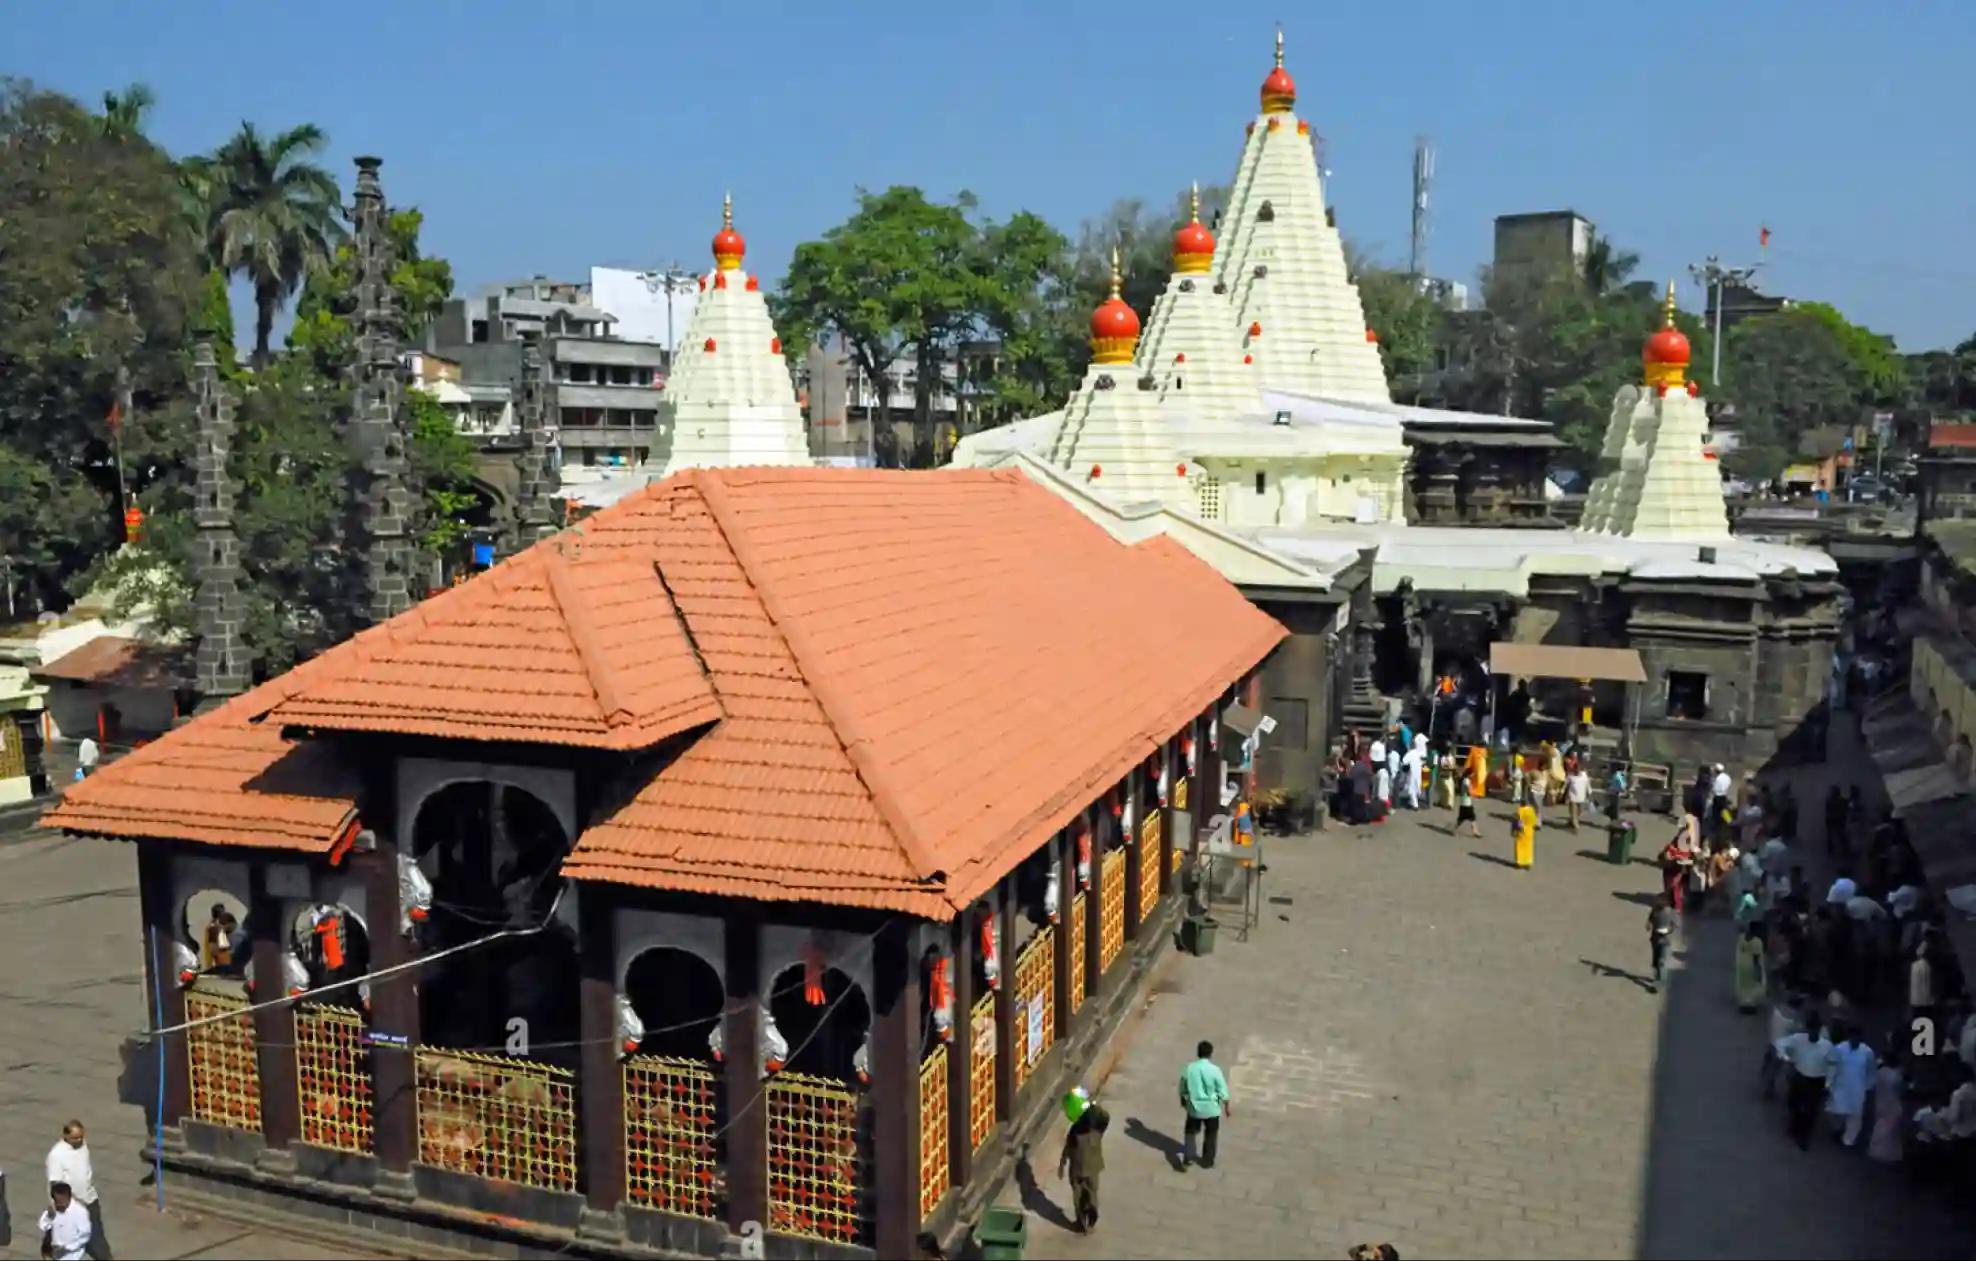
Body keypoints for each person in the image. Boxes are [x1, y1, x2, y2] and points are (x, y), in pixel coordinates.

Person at [44, 1121, 107, 1260]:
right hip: (71, 1203)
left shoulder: (83, 1145)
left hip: (89, 1197)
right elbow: (56, 1183)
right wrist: (72, 1201)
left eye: (81, 1136)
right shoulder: (56, 1154)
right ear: (65, 1135)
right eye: (75, 1137)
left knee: (96, 1231)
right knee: (69, 1234)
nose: (79, 1140)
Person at [1775, 1013, 1833, 1151]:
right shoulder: (1798, 1039)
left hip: (1817, 1080)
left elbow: (1832, 1065)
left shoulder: (1827, 1046)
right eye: (1811, 1029)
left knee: (1811, 1110)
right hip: (1800, 1076)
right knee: (1793, 1102)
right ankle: (1795, 1124)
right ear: (1807, 1029)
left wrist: (1829, 1084)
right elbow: (1779, 1044)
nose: (1813, 1032)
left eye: (1815, 1029)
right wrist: (1786, 1058)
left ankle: (1804, 1136)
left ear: (1819, 1030)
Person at [1178, 1040, 1230, 1170]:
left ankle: (1189, 1157)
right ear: (1210, 1054)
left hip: (1194, 1108)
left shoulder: (1189, 1068)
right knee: (1211, 1134)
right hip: (1212, 1108)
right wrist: (1227, 1107)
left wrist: (1183, 1100)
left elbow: (1182, 1088)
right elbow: (1223, 1091)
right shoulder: (1215, 1070)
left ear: (1198, 1053)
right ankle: (1207, 1160)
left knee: (1190, 1132)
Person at [1057, 1102, 1108, 1231]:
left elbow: (1067, 1148)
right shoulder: (1097, 1132)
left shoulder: (1075, 1131)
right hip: (1092, 1169)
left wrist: (1062, 1164)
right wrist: (1094, 1106)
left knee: (1078, 1197)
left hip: (1077, 1170)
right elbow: (1106, 1117)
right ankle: (1092, 1215)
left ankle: (1081, 1223)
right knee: (1092, 1194)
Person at [1825, 1024, 1877, 1147]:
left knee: (1855, 1115)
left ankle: (1848, 1140)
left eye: (1857, 1038)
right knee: (1837, 1111)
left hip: (1858, 1088)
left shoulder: (1867, 1052)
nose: (1855, 1040)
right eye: (1853, 1037)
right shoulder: (1839, 1049)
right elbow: (1832, 1067)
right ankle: (1838, 1130)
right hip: (1840, 1086)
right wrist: (1829, 1084)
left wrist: (1869, 1087)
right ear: (1849, 1037)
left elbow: (1871, 1071)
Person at [1868, 1038, 1906, 1163]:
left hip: (1881, 1102)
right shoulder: (1896, 1076)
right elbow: (1901, 1090)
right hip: (1893, 1104)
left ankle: (1878, 1151)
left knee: (1881, 1127)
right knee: (1891, 1132)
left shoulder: (1880, 1071)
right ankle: (1889, 1155)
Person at [1762, 992, 1805, 1099]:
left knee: (1772, 1069)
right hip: (1785, 1049)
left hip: (1773, 1043)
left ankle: (1768, 1088)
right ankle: (1793, 1092)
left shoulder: (1777, 1010)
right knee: (1790, 1071)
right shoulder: (1794, 1018)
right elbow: (1799, 1032)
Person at [38, 1183, 90, 1261]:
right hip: (54, 1253)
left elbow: (84, 1236)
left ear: (68, 1197)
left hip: (73, 1256)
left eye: (62, 1201)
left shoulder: (80, 1212)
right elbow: (42, 1226)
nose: (59, 1204)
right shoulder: (53, 1208)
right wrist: (49, 1217)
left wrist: (67, 1247)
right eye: (57, 1201)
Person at [1735, 922, 1766, 1012]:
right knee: (1753, 987)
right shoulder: (1757, 942)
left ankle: (1743, 1003)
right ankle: (1751, 1005)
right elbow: (1756, 959)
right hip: (1751, 966)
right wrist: (1758, 972)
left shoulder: (1741, 938)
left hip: (1741, 965)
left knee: (1743, 986)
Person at [1647, 895, 1676, 990]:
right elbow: (1650, 919)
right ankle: (1657, 978)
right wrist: (1648, 924)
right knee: (1655, 962)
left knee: (1661, 962)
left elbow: (1674, 925)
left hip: (1665, 940)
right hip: (1655, 939)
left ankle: (1660, 983)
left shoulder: (1670, 912)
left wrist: (1668, 930)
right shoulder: (1654, 910)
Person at [1401, 735, 1426, 810]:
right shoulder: (1422, 753)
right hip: (1419, 772)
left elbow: (1404, 761)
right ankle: (1412, 802)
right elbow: (1424, 762)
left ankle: (1415, 805)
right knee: (1416, 787)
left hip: (1412, 773)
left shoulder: (1411, 753)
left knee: (1411, 788)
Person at [1824, 785, 1849, 857]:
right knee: (1841, 834)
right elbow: (1846, 808)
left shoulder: (1829, 800)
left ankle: (1830, 849)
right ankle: (1845, 849)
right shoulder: (1843, 800)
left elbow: (1827, 809)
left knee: (1831, 835)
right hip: (1839, 819)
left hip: (1831, 819)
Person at [1565, 764, 1591, 833]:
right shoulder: (1570, 776)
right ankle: (1576, 826)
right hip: (1572, 797)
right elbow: (1566, 786)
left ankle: (1571, 821)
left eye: (1579, 769)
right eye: (1576, 769)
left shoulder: (1584, 775)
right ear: (1574, 769)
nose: (1577, 770)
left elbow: (1587, 784)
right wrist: (1565, 795)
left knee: (1579, 812)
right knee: (1573, 812)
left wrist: (1589, 793)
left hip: (1581, 797)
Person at [1513, 798, 1537, 870]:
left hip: (1522, 830)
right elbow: (1534, 821)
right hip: (1529, 830)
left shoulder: (1520, 810)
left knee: (1520, 847)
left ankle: (1520, 862)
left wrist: (1515, 830)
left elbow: (1518, 821)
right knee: (1528, 847)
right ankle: (1527, 862)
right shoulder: (1531, 810)